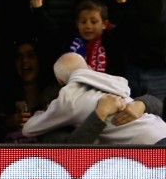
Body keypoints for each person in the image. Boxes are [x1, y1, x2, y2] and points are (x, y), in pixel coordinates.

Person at [22, 53, 166, 145]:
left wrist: (41, 114)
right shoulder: (115, 83)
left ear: (60, 82)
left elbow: (28, 129)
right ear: (90, 68)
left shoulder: (68, 98)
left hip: (151, 147)